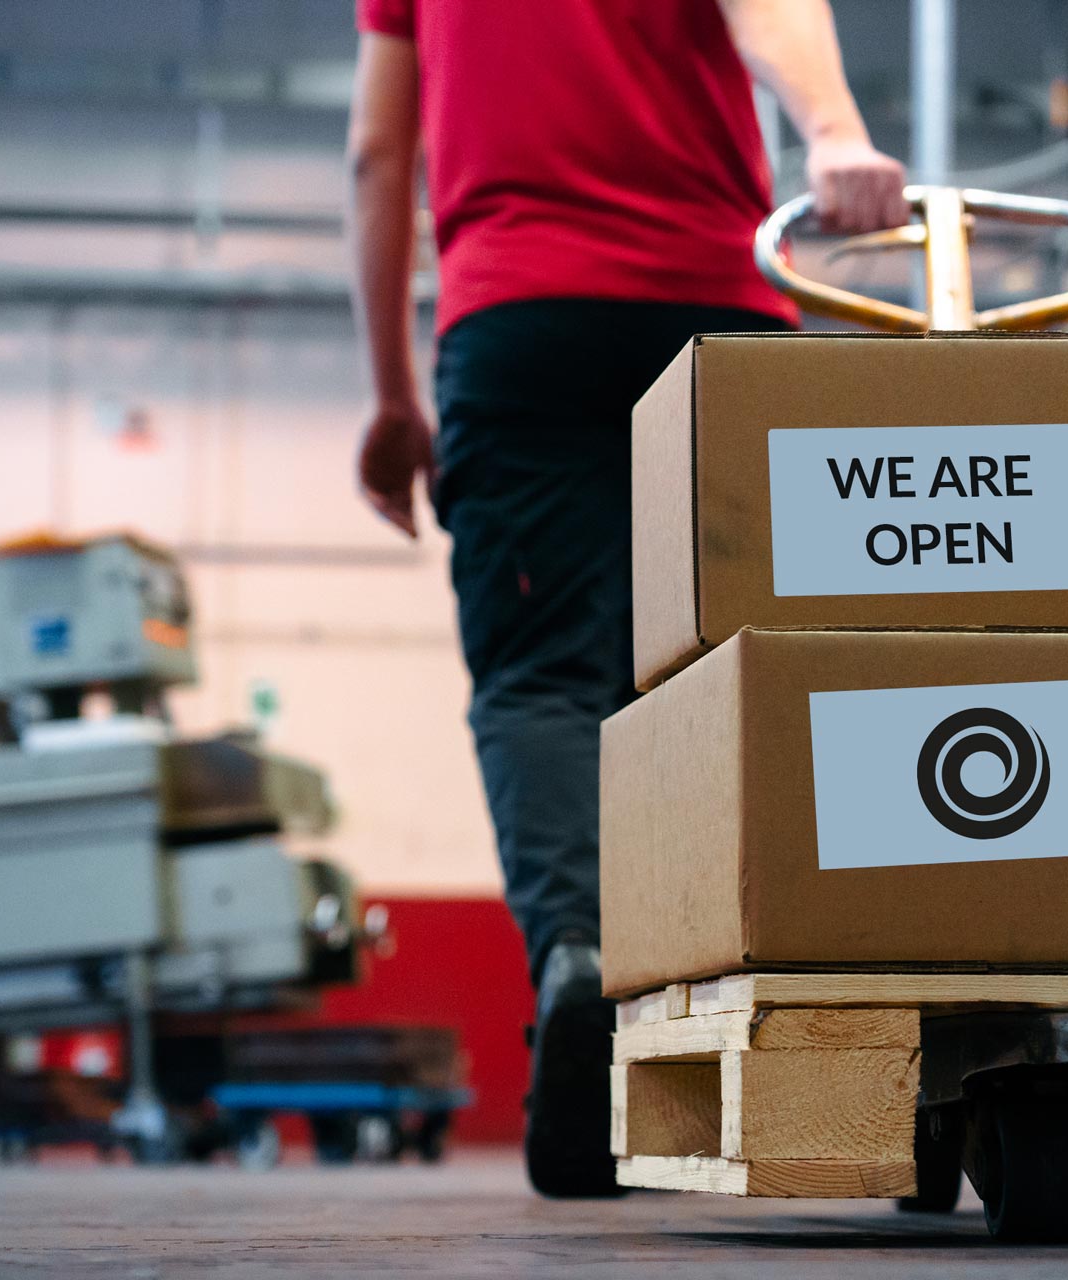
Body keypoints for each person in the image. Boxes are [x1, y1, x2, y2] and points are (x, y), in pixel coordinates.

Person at [346, 0, 906, 1197]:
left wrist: (395, 396)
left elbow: (376, 157)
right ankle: (846, 1017)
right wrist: (834, 129)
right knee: (751, 669)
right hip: (715, 305)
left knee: (544, 675)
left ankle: (577, 955)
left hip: (516, 323)